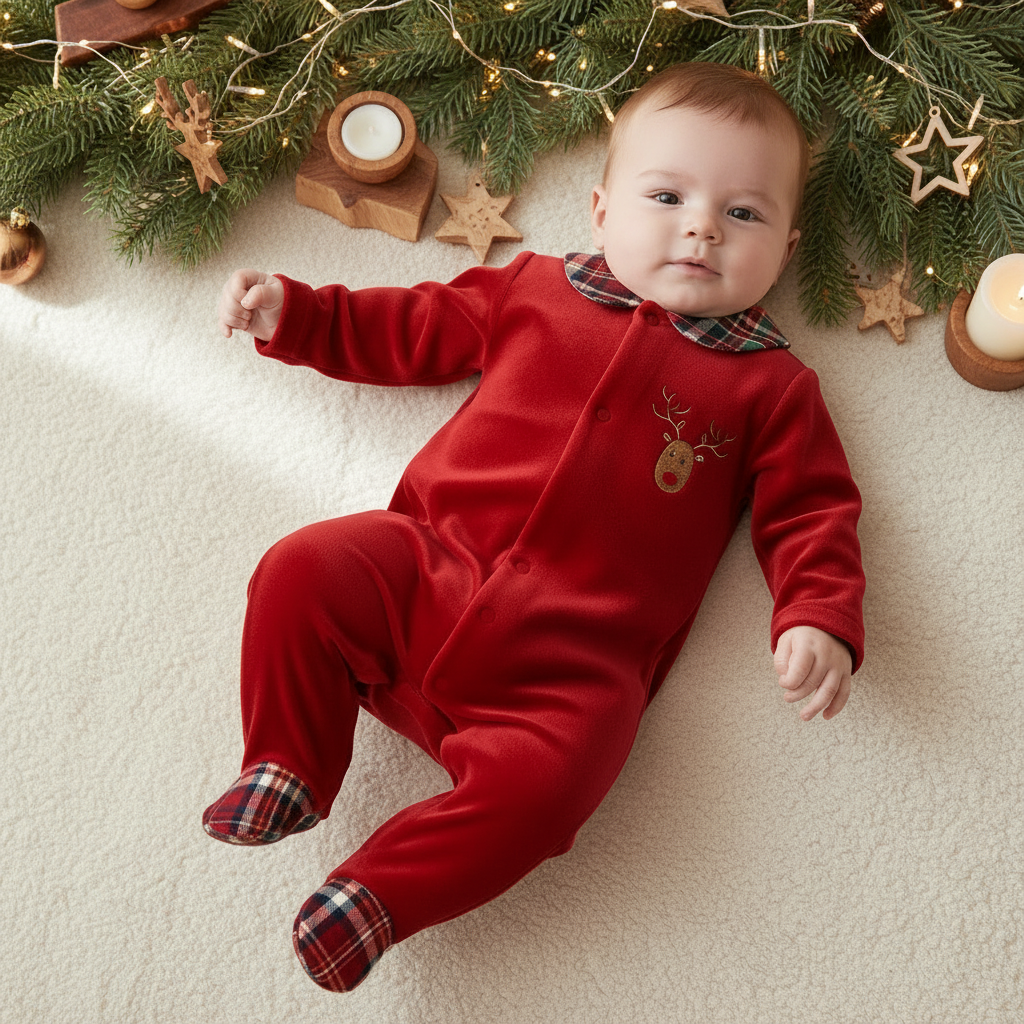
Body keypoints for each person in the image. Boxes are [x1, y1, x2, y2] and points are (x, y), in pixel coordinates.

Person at [207, 61, 865, 993]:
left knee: (557, 790)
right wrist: (300, 315)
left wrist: (818, 614)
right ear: (600, 211)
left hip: (572, 667)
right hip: (428, 569)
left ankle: (381, 894)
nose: (702, 226)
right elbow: (415, 326)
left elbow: (814, 509)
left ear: (786, 251)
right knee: (301, 569)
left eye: (744, 213)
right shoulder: (537, 289)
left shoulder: (774, 388)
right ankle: (288, 763)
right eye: (667, 196)